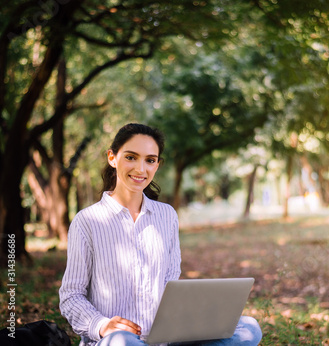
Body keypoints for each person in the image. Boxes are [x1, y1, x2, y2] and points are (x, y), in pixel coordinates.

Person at [59, 123, 262, 346]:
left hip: (163, 338)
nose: (140, 169)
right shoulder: (87, 221)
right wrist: (101, 324)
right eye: (131, 157)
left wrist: (189, 320)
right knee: (122, 342)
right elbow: (71, 295)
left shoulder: (167, 216)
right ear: (112, 158)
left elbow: (170, 284)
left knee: (249, 328)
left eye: (150, 160)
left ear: (157, 165)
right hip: (115, 341)